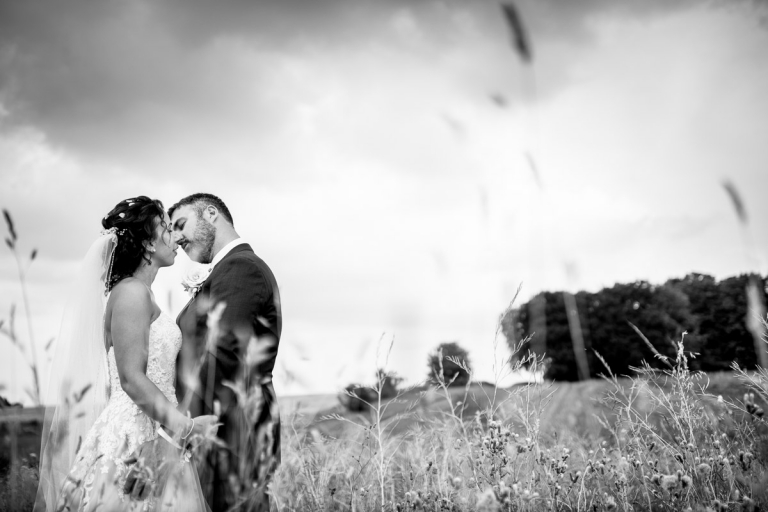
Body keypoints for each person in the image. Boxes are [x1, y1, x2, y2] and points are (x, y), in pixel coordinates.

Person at [35, 196, 218, 512]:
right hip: (133, 436)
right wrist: (185, 427)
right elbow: (132, 379)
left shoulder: (142, 294)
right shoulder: (132, 293)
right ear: (146, 243)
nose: (175, 236)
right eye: (164, 227)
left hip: (155, 429)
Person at [170, 193, 281, 511]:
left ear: (211, 213)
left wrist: (178, 428)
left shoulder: (241, 270)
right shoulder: (227, 271)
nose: (176, 238)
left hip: (232, 438)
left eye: (181, 224)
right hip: (216, 436)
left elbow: (224, 354)